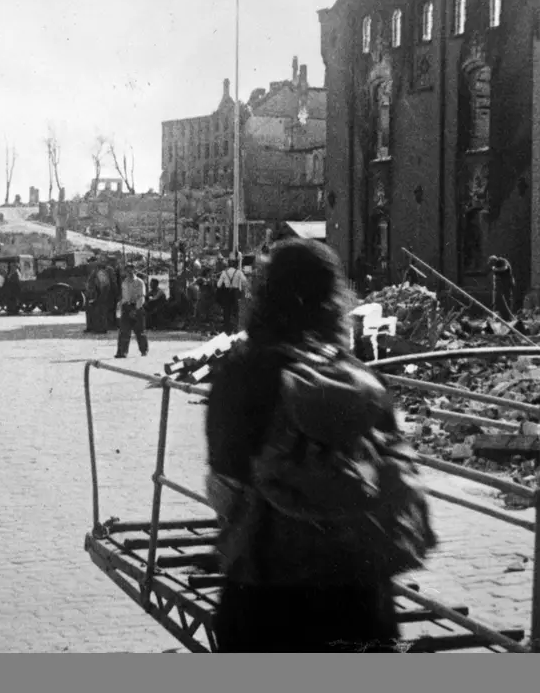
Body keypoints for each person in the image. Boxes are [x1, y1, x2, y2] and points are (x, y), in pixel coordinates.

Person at [203, 238, 436, 652]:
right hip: (360, 598)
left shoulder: (241, 374)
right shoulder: (358, 377)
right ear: (335, 298)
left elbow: (225, 485)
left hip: (265, 597)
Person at [114, 265, 148, 359]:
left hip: (137, 306)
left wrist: (136, 309)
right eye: (127, 271)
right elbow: (124, 297)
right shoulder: (124, 282)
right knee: (123, 331)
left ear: (134, 271)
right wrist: (120, 306)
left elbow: (141, 297)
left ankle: (144, 350)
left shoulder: (139, 282)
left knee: (140, 331)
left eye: (131, 270)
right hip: (126, 307)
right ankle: (122, 352)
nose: (129, 272)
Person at [216, 257, 249, 335]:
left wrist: (225, 282)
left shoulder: (224, 272)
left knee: (226, 311)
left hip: (226, 293)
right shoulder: (239, 272)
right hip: (235, 292)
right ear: (236, 265)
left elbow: (218, 285)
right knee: (235, 311)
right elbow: (245, 281)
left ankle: (227, 329)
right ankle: (236, 329)